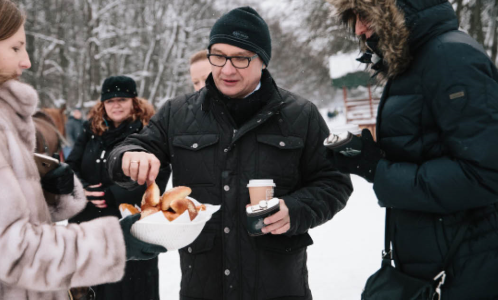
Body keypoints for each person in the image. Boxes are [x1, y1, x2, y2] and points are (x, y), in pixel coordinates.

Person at [107, 6, 353, 300]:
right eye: (219, 56)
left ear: (262, 60)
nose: (226, 69)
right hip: (204, 285)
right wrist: (128, 155)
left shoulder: (301, 115)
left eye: (240, 58)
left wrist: (296, 209)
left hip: (279, 286)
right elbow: (134, 148)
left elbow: (335, 182)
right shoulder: (177, 113)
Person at [0, 1, 165, 299]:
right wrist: (115, 241)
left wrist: (46, 191)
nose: (26, 61)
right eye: (15, 48)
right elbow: (12, 250)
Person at [326, 0, 498, 297]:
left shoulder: (449, 57)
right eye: (353, 18)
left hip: (467, 265)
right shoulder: (416, 60)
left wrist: (379, 170)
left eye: (364, 15)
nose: (358, 28)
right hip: (433, 260)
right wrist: (371, 158)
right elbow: (429, 149)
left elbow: (485, 173)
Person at [66, 75, 171, 300]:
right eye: (110, 100)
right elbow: (71, 166)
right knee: (91, 289)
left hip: (129, 225)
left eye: (122, 99)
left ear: (134, 101)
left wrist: (112, 194)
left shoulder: (146, 132)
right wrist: (82, 189)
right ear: (102, 104)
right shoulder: (90, 130)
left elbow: (157, 177)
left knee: (129, 289)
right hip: (89, 222)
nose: (116, 105)